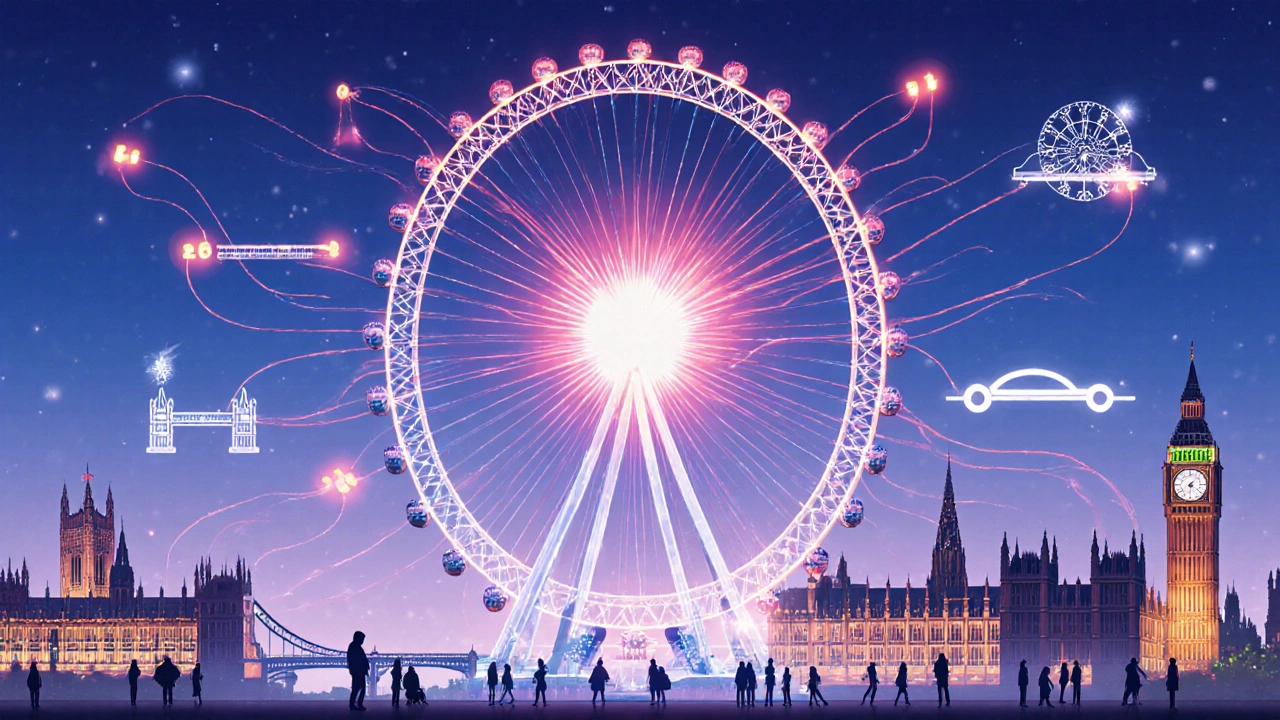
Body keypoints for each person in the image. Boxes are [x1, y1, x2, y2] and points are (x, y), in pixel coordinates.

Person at [347, 631, 370, 711]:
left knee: (358, 688)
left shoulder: (354, 646)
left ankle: (354, 704)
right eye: (362, 639)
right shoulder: (354, 647)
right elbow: (353, 659)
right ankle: (356, 704)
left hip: (359, 671)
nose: (363, 641)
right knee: (357, 688)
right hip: (358, 671)